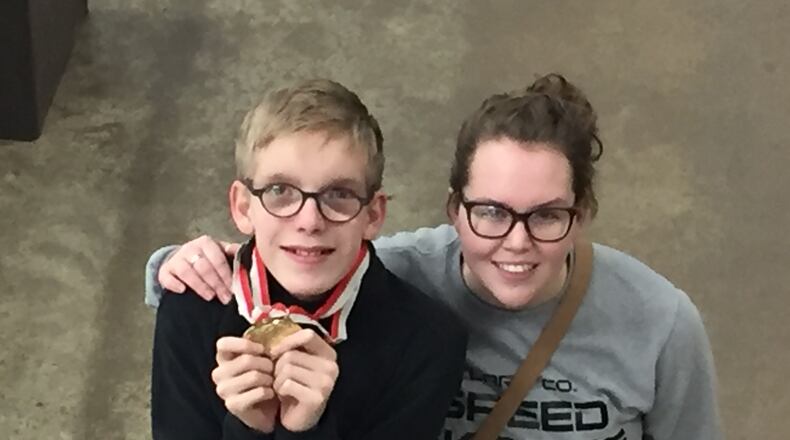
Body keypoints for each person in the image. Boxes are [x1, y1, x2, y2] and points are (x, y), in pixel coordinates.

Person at [147, 74, 723, 439]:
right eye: (492, 212)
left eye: (547, 215)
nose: (516, 242)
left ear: (583, 214)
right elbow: (302, 259)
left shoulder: (660, 323)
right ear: (455, 209)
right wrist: (177, 267)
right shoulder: (403, 271)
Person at [150, 78, 468, 439]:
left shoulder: (428, 342)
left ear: (373, 215)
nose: (310, 221)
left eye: (339, 193)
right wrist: (248, 427)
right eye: (280, 191)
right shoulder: (192, 309)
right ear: (242, 207)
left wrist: (305, 431)